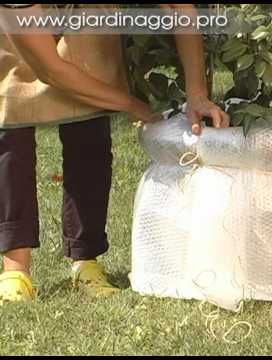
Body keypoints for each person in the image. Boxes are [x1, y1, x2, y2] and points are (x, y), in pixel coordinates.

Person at [0, 4, 230, 304]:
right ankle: (15, 270)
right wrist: (130, 104)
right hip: (16, 31)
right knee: (12, 120)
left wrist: (197, 93)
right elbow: (50, 69)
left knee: (89, 125)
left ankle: (86, 260)